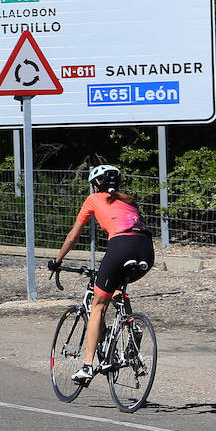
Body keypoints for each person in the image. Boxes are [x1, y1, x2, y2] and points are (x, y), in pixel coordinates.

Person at [48, 165, 154, 385]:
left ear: (95, 185)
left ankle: (87, 367)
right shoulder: (129, 200)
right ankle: (131, 324)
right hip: (146, 249)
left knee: (98, 306)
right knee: (116, 288)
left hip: (121, 246)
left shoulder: (93, 199)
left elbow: (73, 235)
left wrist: (57, 261)